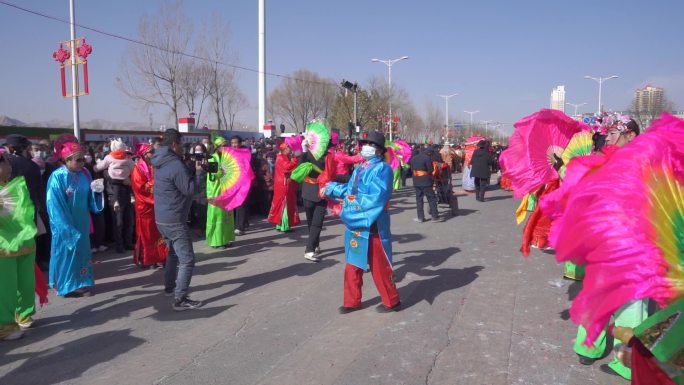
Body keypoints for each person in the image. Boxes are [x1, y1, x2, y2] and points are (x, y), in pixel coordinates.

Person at [325, 131, 401, 313]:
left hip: (373, 223)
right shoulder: (361, 167)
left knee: (379, 265)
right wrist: (331, 188)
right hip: (356, 224)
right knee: (353, 263)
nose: (367, 147)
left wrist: (344, 209)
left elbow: (374, 199)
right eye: (365, 143)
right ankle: (351, 301)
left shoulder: (383, 169)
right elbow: (350, 190)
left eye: (372, 144)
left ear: (380, 150)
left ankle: (392, 301)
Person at [152, 129, 203, 310]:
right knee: (187, 260)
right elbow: (191, 190)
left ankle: (170, 287)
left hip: (162, 217)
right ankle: (180, 299)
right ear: (174, 144)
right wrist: (198, 173)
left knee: (173, 254)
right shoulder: (175, 164)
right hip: (174, 219)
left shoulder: (160, 161)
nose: (182, 148)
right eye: (181, 144)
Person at [46, 141, 105, 297]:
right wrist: (65, 227)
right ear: (66, 160)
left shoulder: (85, 173)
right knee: (66, 254)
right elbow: (54, 205)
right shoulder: (57, 177)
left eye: (82, 159)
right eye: (77, 160)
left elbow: (89, 198)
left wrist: (97, 192)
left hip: (82, 221)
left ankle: (81, 281)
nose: (81, 163)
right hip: (65, 224)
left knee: (82, 253)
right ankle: (67, 285)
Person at [0, 150, 38, 340]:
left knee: (25, 281)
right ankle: (4, 326)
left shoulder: (11, 186)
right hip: (4, 245)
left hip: (24, 242)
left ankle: (23, 314)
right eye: (5, 162)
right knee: (6, 286)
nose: (9, 166)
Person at [299, 130, 336, 262]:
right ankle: (315, 243)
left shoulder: (329, 157)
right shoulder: (308, 154)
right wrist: (303, 151)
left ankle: (309, 250)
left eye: (326, 144)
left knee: (317, 222)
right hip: (308, 191)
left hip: (322, 191)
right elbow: (299, 169)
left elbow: (333, 175)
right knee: (311, 222)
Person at [94, 138, 135, 253]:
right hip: (121, 190)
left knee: (121, 220)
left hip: (118, 191)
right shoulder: (128, 158)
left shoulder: (109, 158)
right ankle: (123, 244)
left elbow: (97, 167)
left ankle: (123, 244)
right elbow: (134, 169)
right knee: (124, 220)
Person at [131, 143, 167, 268]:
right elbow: (140, 188)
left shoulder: (155, 165)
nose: (154, 153)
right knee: (146, 233)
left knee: (158, 233)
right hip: (145, 206)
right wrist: (155, 183)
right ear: (144, 154)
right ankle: (148, 259)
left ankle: (160, 257)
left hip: (156, 205)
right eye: (151, 151)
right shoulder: (137, 169)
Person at [205, 135, 235, 248]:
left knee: (227, 216)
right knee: (216, 217)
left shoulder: (228, 158)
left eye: (226, 145)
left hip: (226, 191)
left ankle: (226, 239)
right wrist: (224, 170)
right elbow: (215, 174)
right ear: (217, 147)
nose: (226, 148)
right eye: (223, 146)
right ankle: (216, 241)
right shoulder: (212, 159)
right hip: (215, 192)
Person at [267, 141, 300, 231]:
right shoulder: (282, 158)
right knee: (285, 204)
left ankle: (280, 224)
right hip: (284, 184)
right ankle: (285, 226)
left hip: (281, 184)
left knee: (281, 203)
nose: (290, 149)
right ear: (285, 149)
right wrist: (295, 159)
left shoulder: (281, 157)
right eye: (289, 148)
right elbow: (287, 168)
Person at [410, 146, 440, 222]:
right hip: (426, 181)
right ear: (429, 153)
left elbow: (412, 169)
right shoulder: (427, 158)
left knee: (419, 200)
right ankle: (434, 217)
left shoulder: (413, 158)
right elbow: (430, 169)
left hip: (416, 181)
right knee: (431, 199)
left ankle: (420, 217)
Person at [231, 136, 250, 236]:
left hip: (243, 182)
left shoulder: (245, 153)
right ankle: (243, 222)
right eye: (232, 143)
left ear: (240, 143)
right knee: (235, 204)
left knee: (241, 204)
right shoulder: (229, 154)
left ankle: (240, 227)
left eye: (236, 143)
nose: (234, 145)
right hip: (232, 182)